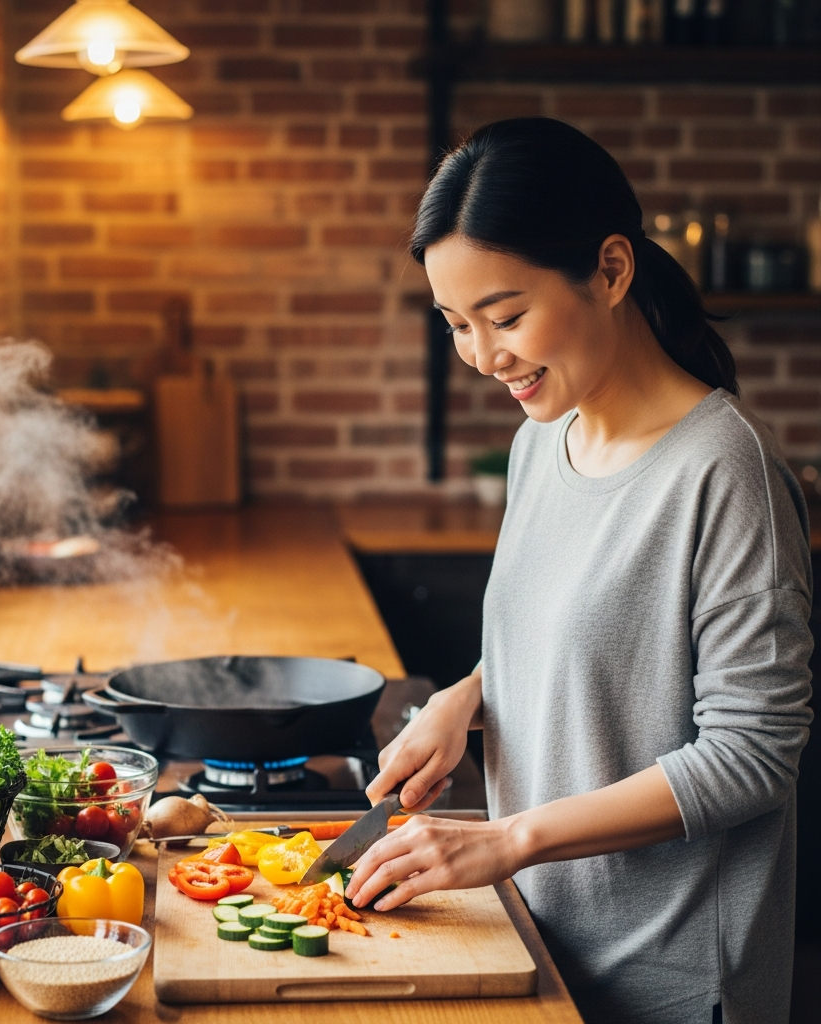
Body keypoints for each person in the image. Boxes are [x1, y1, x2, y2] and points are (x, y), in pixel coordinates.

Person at [344, 118, 813, 1024]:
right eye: (457, 325)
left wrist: (510, 839)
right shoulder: (540, 441)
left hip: (670, 982)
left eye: (508, 316)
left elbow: (753, 756)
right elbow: (588, 628)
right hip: (544, 943)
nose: (484, 357)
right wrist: (467, 698)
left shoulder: (727, 474)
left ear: (610, 269)